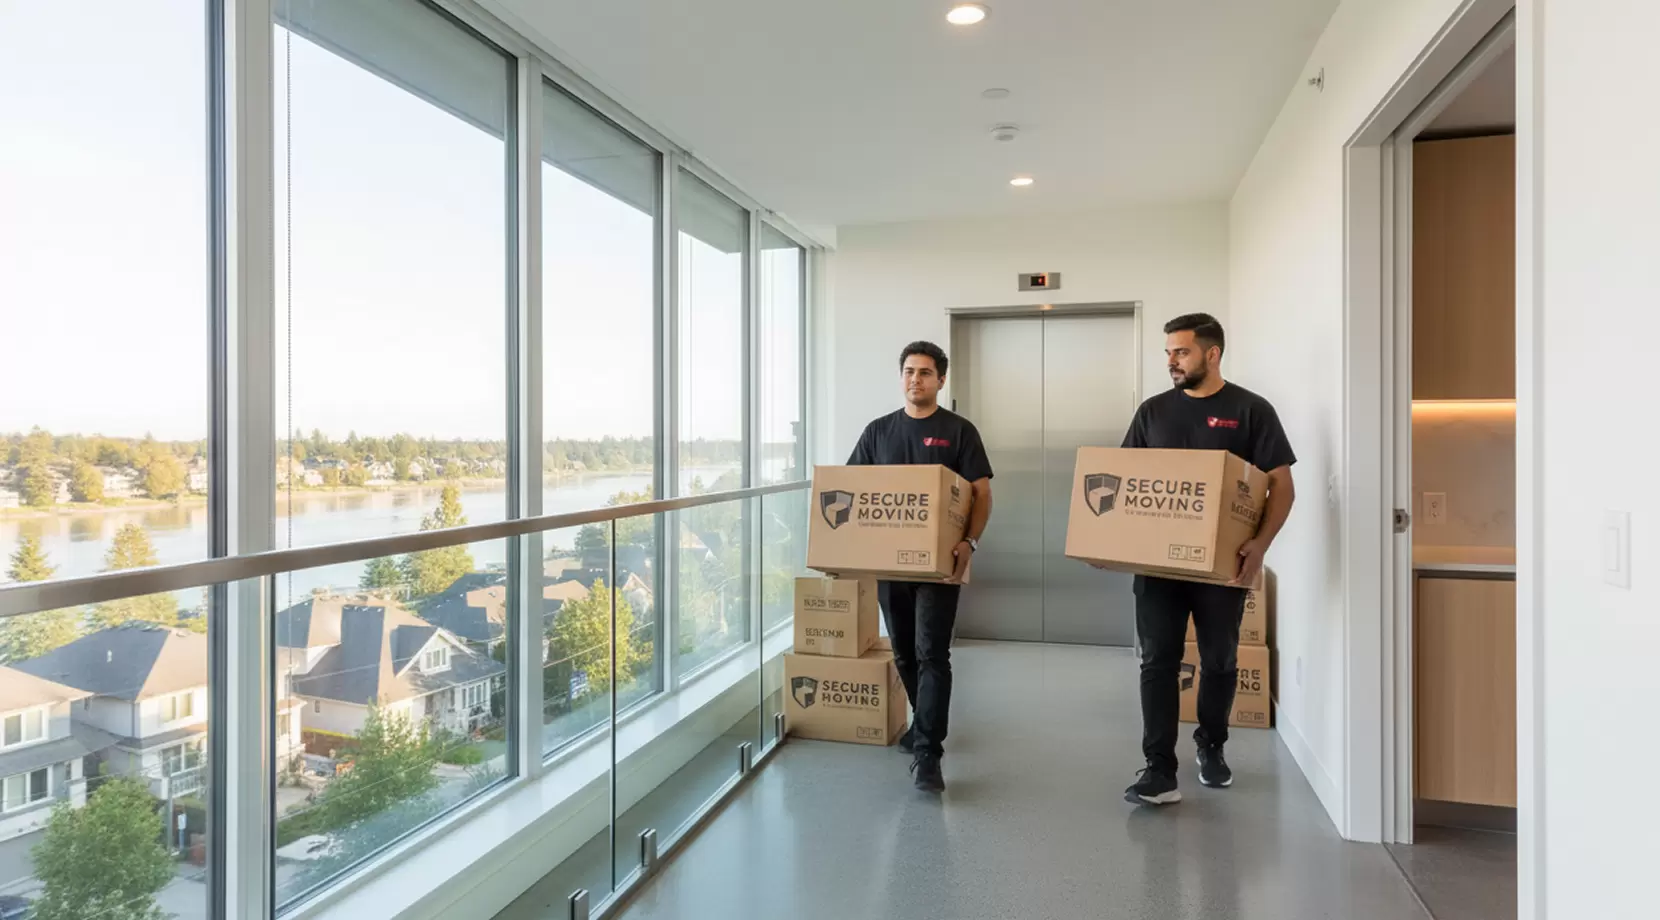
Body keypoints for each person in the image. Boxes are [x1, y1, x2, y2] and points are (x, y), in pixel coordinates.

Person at [1115, 313, 1296, 806]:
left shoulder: (1251, 410)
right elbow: (1126, 482)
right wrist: (1112, 544)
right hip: (1159, 566)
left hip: (1222, 566)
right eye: (1168, 352)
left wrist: (1261, 545)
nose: (1171, 361)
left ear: (1211, 354)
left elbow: (1281, 485)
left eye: (1181, 351)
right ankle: (1159, 768)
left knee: (1219, 660)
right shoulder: (1152, 412)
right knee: (1157, 661)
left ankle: (1211, 744)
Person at [847, 340, 994, 793]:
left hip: (939, 566)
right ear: (901, 378)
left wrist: (970, 542)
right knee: (904, 653)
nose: (916, 379)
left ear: (941, 380)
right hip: (891, 565)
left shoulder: (959, 431)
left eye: (925, 372)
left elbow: (982, 493)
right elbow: (854, 490)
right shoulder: (878, 432)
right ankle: (922, 723)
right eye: (909, 371)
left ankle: (929, 752)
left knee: (932, 653)